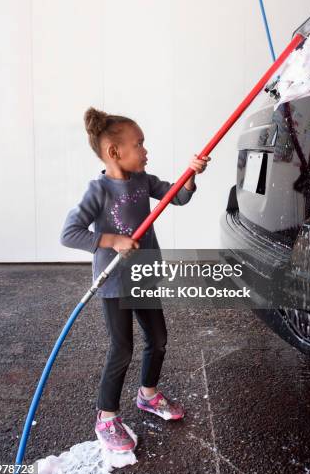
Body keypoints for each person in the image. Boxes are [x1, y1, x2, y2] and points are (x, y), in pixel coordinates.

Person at [60, 107, 210, 452]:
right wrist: (112, 241)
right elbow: (69, 233)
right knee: (122, 348)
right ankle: (107, 417)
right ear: (115, 152)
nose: (146, 151)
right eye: (139, 144)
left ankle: (148, 395)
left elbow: (180, 197)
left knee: (158, 338)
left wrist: (191, 176)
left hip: (143, 274)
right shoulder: (97, 191)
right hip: (114, 283)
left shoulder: (143, 181)